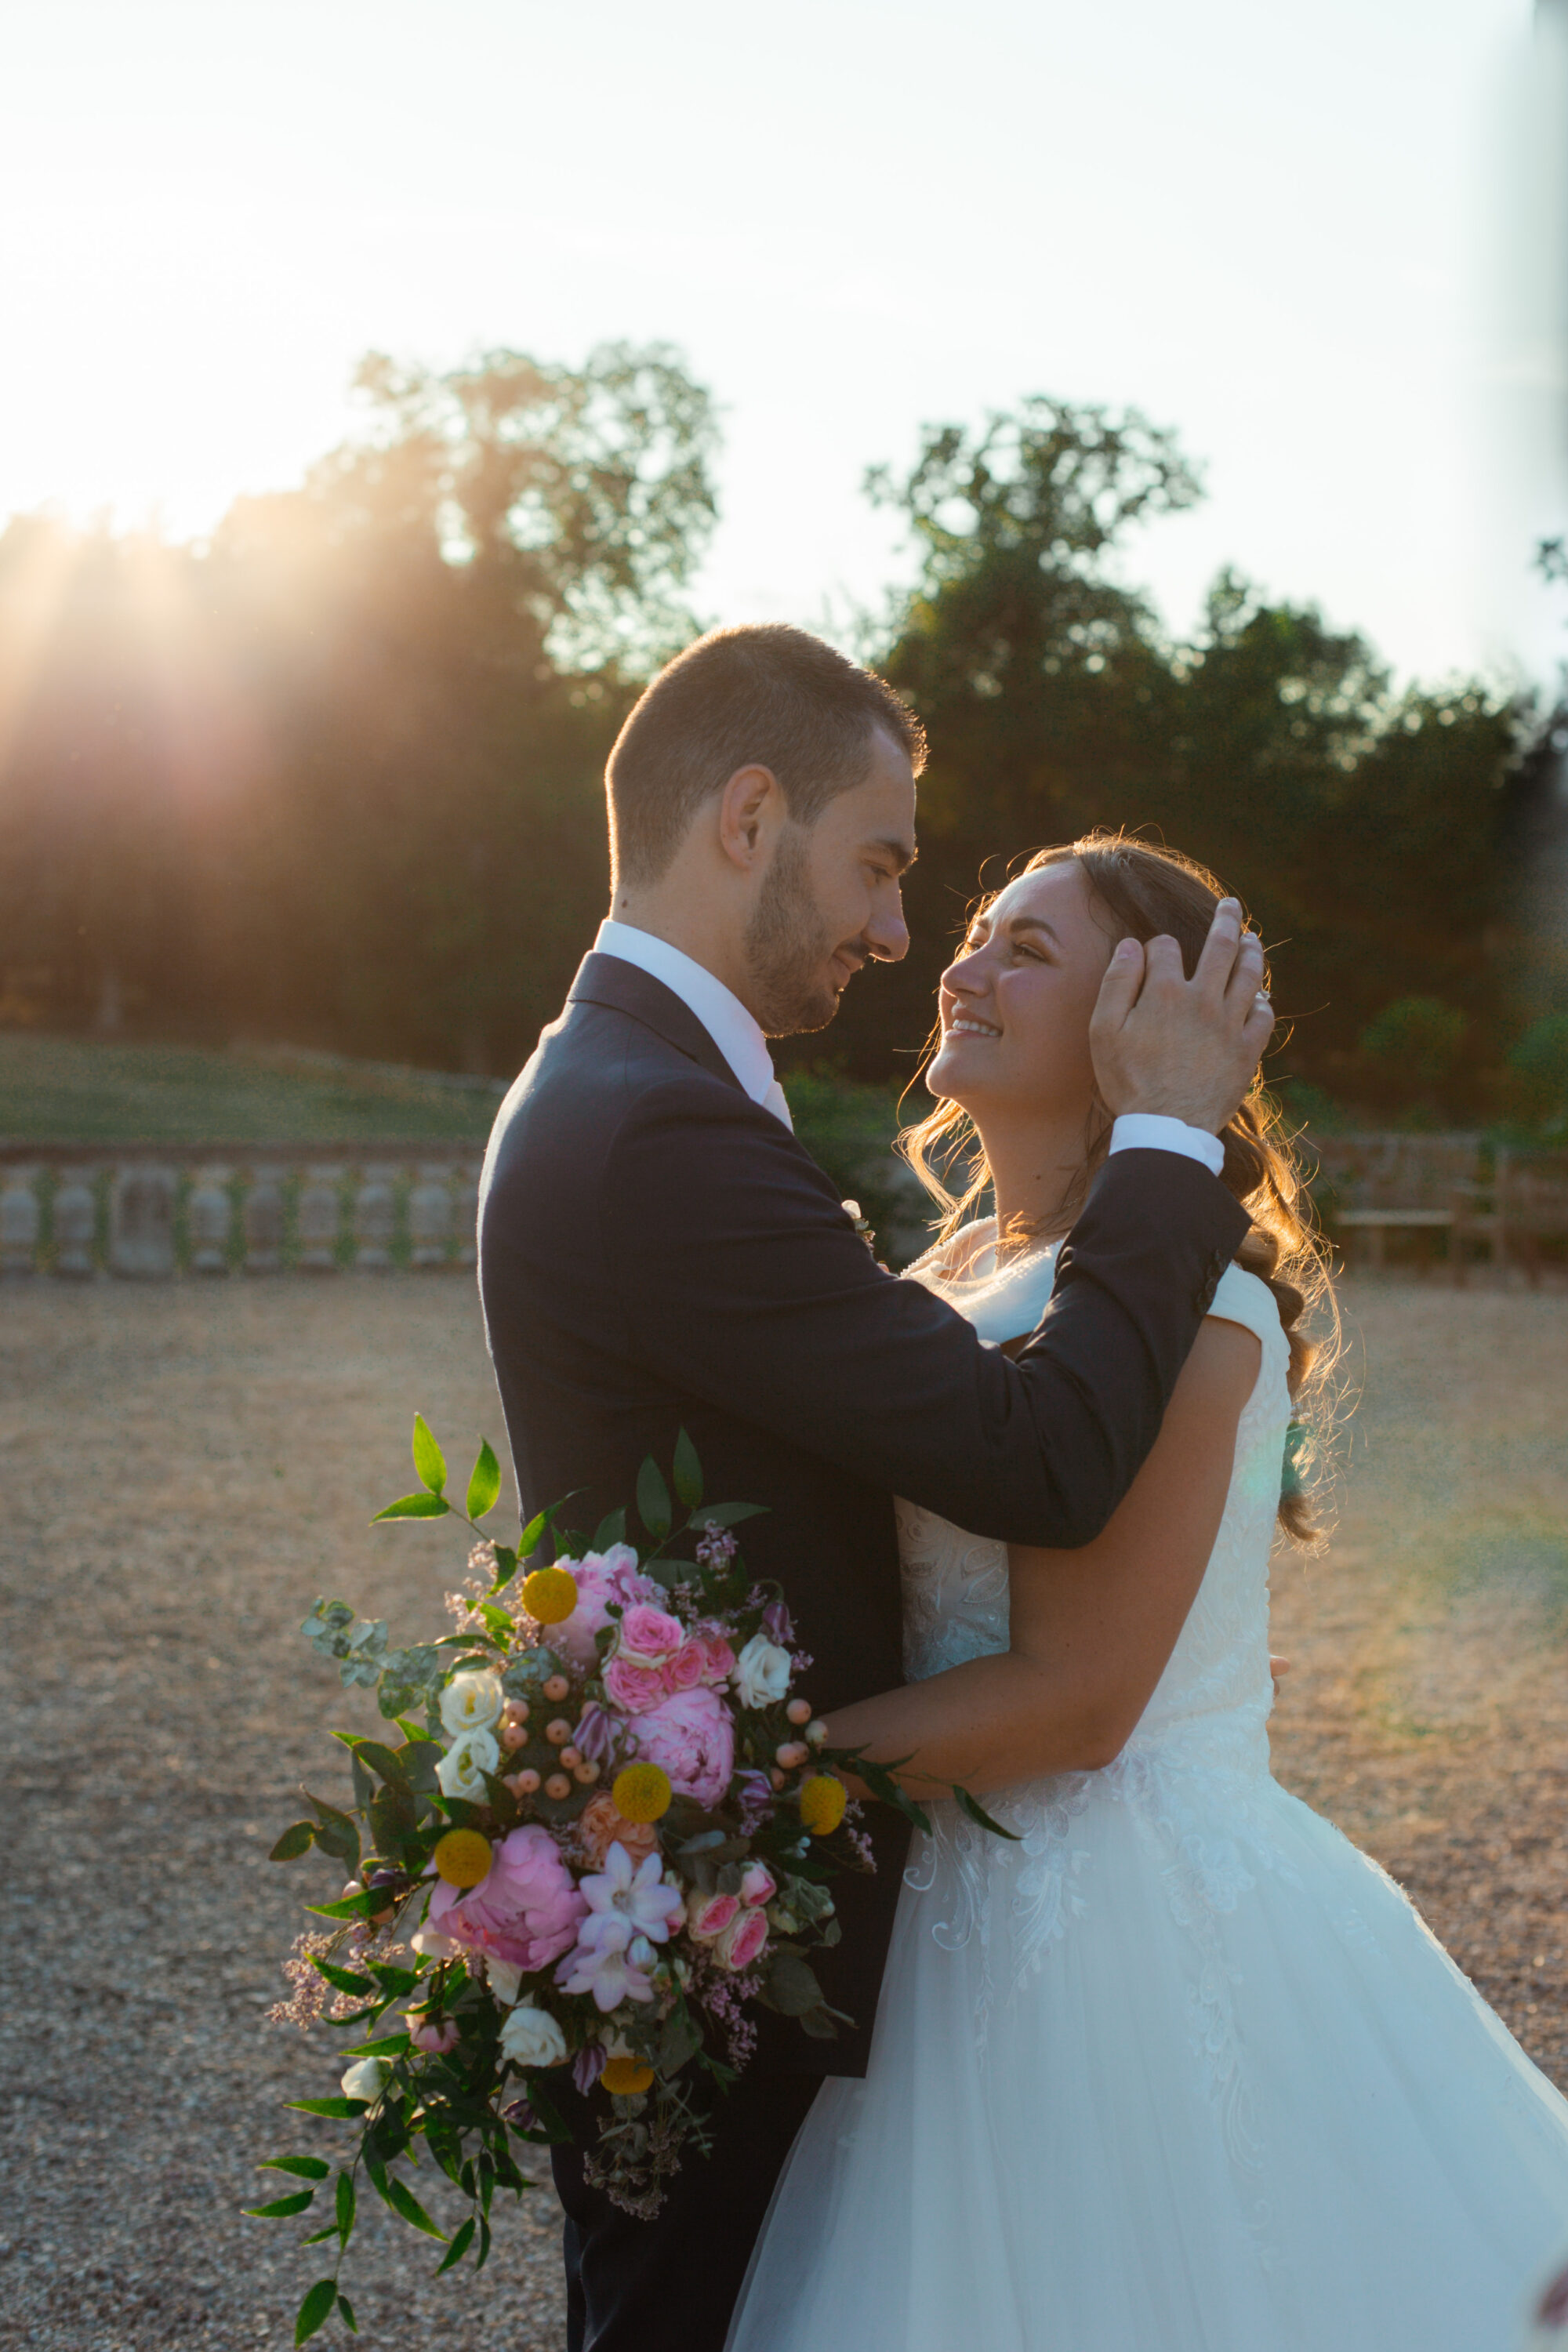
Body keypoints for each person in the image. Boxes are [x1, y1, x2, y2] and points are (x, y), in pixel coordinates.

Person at [477, 624, 1271, 2352]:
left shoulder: (633, 1091)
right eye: (887, 866)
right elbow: (1038, 1458)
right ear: (748, 817)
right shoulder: (657, 1128)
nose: (906, 941)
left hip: (880, 1921)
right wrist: (1166, 1142)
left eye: (994, 933)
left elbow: (1064, 1627)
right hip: (734, 1922)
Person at [724, 833, 1568, 2352]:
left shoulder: (1197, 1303)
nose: (960, 968)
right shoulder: (948, 1266)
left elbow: (1083, 1698)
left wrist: (752, 1784)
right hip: (939, 1879)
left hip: (1109, 1916)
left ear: (1142, 1022)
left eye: (1022, 951)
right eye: (974, 935)